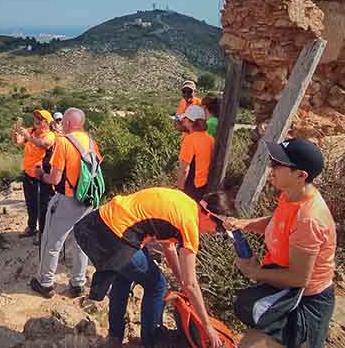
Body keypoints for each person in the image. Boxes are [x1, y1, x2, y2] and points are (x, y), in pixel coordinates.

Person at [219, 138, 336, 348]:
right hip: (285, 290)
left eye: (278, 164)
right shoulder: (290, 196)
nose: (271, 167)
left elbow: (299, 278)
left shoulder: (309, 219)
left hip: (305, 300)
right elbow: (277, 222)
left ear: (301, 175)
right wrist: (244, 224)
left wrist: (255, 273)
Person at [74, 188, 222, 348]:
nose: (215, 233)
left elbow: (169, 248)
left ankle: (115, 337)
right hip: (117, 237)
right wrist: (207, 326)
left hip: (98, 221)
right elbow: (191, 284)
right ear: (209, 215)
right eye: (218, 228)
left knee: (124, 277)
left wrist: (181, 280)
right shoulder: (190, 224)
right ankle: (150, 342)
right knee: (157, 285)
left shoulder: (185, 203)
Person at [30, 107, 100, 299]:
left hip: (67, 199)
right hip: (88, 200)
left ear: (67, 123)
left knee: (51, 242)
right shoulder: (91, 141)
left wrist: (41, 175)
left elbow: (54, 178)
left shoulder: (64, 142)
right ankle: (78, 283)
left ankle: (45, 283)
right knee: (81, 243)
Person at [13, 110, 57, 240]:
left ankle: (43, 233)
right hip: (28, 174)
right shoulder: (31, 131)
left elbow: (44, 144)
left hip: (42, 176)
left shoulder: (50, 135)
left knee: (43, 205)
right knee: (31, 203)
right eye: (36, 117)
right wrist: (15, 135)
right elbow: (19, 142)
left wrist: (28, 136)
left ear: (47, 122)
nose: (37, 120)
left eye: (41, 118)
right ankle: (31, 227)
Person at [176, 105, 215, 200]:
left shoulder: (189, 140)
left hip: (191, 187)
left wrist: (179, 189)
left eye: (185, 119)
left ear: (191, 122)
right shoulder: (210, 139)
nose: (183, 121)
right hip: (205, 185)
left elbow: (184, 169)